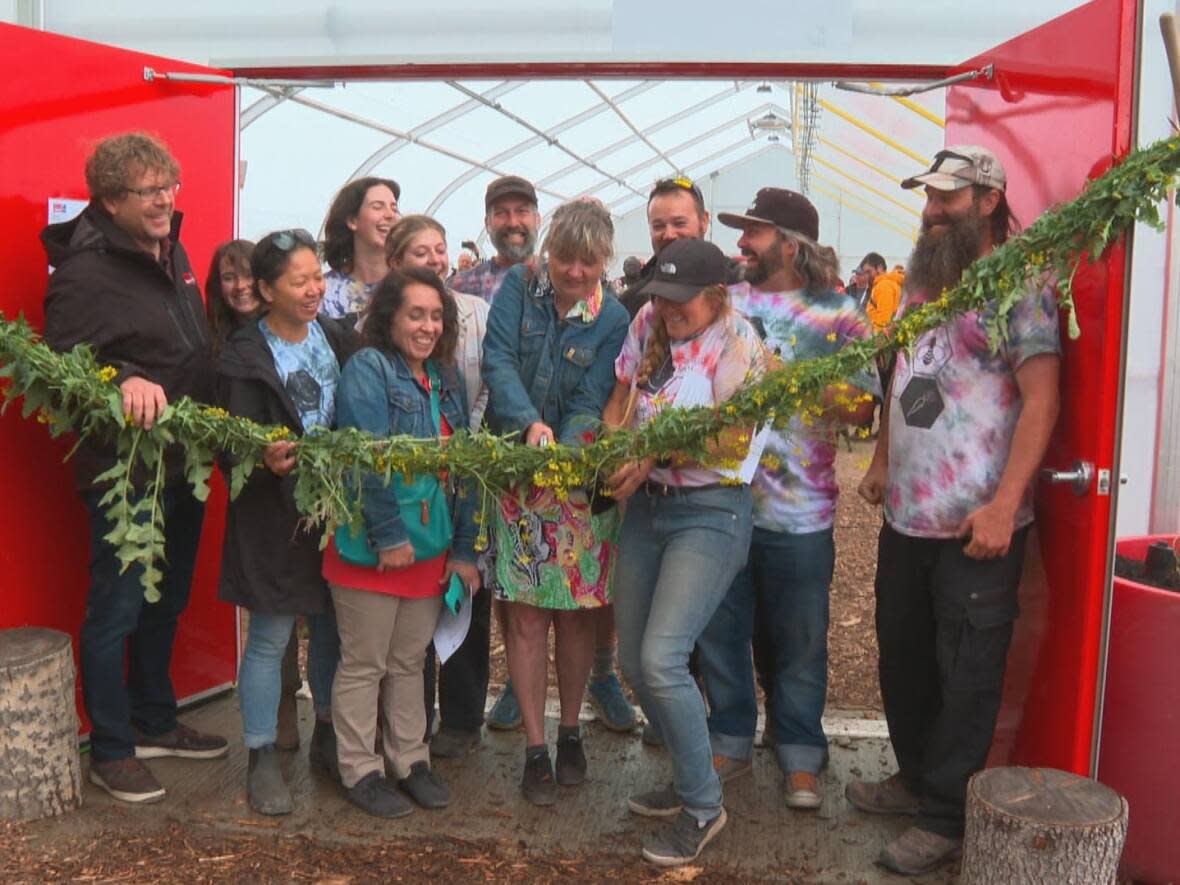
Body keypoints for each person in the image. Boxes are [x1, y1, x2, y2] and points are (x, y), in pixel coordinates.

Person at [852, 146, 1061, 875]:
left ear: (989, 199)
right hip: (908, 517)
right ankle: (914, 778)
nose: (933, 209)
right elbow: (919, 378)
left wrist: (1006, 503)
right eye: (929, 197)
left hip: (977, 523)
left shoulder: (1021, 285)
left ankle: (945, 814)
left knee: (967, 668)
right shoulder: (926, 283)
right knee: (903, 656)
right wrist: (885, 458)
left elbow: (1042, 399)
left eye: (948, 197)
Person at [41, 131, 226, 804]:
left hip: (184, 463)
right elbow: (65, 367)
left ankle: (153, 720)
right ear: (111, 199)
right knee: (117, 606)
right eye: (151, 191)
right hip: (127, 473)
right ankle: (112, 747)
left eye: (170, 187)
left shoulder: (169, 251)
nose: (166, 201)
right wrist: (120, 377)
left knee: (167, 597)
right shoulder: (86, 271)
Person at [697, 188, 877, 810]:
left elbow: (861, 406)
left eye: (755, 231)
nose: (742, 242)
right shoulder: (723, 304)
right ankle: (729, 738)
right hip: (717, 503)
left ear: (792, 244)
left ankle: (800, 751)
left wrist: (796, 383)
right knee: (721, 631)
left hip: (800, 512)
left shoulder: (841, 314)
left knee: (800, 638)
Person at [603, 237, 769, 867]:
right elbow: (622, 393)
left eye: (681, 300)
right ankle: (688, 774)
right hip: (649, 508)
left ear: (716, 295)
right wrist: (616, 447)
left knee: (663, 655)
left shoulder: (740, 343)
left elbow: (730, 441)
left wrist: (651, 455)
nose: (668, 310)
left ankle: (703, 805)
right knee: (638, 661)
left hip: (711, 511)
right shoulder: (647, 322)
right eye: (661, 297)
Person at [480, 199, 629, 805]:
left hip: (574, 480)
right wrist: (527, 426)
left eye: (588, 264)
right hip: (518, 472)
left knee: (575, 612)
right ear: (550, 252)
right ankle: (535, 748)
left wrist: (566, 452)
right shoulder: (519, 288)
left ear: (604, 261)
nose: (574, 273)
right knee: (524, 612)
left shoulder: (614, 317)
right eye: (565, 259)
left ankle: (571, 731)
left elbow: (596, 396)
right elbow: (498, 361)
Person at [323, 268, 481, 818]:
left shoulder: (445, 379)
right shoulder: (369, 368)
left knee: (409, 661)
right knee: (365, 661)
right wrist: (388, 536)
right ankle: (360, 769)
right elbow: (365, 455)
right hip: (377, 546)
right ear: (389, 317)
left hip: (430, 545)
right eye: (416, 314)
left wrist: (463, 551)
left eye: (437, 316)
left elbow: (464, 469)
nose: (429, 326)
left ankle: (411, 761)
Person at [216, 229, 356, 814]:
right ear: (265, 289)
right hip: (273, 516)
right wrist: (258, 458)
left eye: (317, 278)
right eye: (299, 282)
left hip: (334, 509)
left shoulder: (335, 336)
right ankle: (261, 755)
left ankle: (326, 732)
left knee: (329, 626)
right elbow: (226, 441)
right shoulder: (242, 356)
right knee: (272, 636)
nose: (313, 290)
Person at [385, 214, 492, 758]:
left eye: (440, 249)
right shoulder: (381, 327)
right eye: (420, 251)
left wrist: (469, 441)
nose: (435, 259)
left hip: (464, 471)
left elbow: (488, 386)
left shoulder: (477, 313)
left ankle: (463, 715)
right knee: (411, 614)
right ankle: (412, 722)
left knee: (463, 594)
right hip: (410, 489)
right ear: (395, 261)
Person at [618, 176, 712, 318]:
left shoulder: (736, 285)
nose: (669, 234)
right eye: (659, 226)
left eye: (679, 223)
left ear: (704, 221)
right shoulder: (632, 302)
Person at [319, 176, 401, 329]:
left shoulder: (408, 285)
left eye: (394, 208)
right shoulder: (323, 291)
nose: (390, 215)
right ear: (352, 220)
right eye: (378, 207)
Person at [205, 239, 259, 354]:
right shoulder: (206, 340)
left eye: (249, 275)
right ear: (218, 284)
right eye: (229, 278)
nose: (240, 286)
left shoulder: (290, 332)